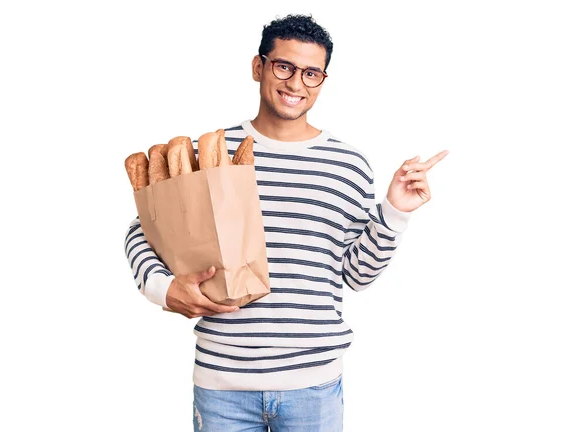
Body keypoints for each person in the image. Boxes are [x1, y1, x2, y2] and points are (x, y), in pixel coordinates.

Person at [124, 13, 448, 432]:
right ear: (258, 67)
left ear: (322, 81)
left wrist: (395, 212)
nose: (296, 83)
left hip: (313, 387)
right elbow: (143, 228)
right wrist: (163, 289)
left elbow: (356, 274)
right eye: (284, 66)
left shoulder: (347, 165)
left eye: (311, 73)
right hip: (223, 385)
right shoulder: (213, 152)